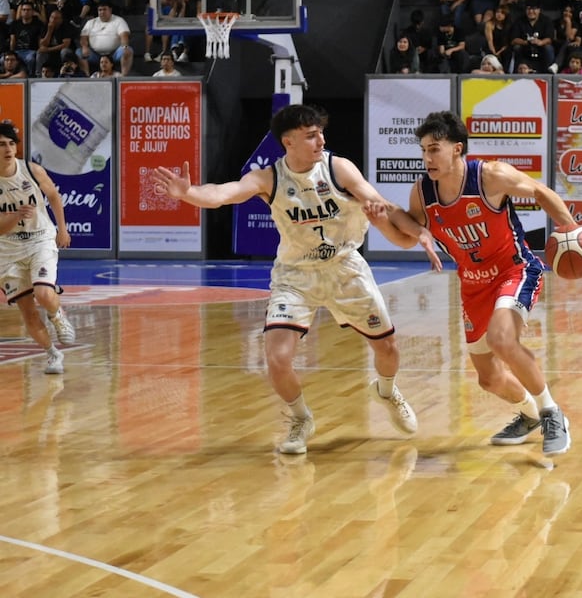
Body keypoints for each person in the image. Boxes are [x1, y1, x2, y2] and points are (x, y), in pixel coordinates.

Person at [150, 104, 441, 455]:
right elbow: (222, 194)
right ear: (288, 142)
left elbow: (385, 206)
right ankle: (301, 418)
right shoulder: (269, 178)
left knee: (388, 350)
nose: (320, 140)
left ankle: (386, 389)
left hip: (345, 267)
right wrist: (188, 194)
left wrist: (419, 233)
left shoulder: (338, 168)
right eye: (310, 135)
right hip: (296, 275)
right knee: (276, 357)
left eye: (320, 132)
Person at [388, 110, 575, 456]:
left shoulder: (489, 176)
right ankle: (529, 415)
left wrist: (571, 228)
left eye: (435, 149)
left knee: (502, 339)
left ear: (457, 149)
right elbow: (407, 230)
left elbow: (539, 191)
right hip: (472, 284)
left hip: (514, 270)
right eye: (424, 150)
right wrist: (397, 220)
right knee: (488, 379)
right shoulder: (422, 192)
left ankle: (552, 413)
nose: (427, 157)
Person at [0, 121, 75, 376]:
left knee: (43, 294)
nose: (8, 149)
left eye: (11, 144)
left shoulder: (31, 170)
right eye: (1, 145)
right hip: (7, 249)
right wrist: (15, 216)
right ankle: (52, 354)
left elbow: (53, 196)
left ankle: (57, 314)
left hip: (39, 238)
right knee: (28, 313)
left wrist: (62, 230)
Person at [77, 2, 133, 76]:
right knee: (79, 52)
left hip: (113, 54)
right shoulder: (91, 22)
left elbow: (124, 36)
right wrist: (84, 47)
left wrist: (125, 46)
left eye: (104, 9)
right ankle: (86, 76)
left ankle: (123, 77)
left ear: (110, 10)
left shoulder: (118, 20)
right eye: (100, 10)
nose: (102, 12)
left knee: (128, 50)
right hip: (95, 55)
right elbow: (83, 37)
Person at [9, 1, 46, 75]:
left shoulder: (39, 24)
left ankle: (30, 77)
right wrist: (11, 52)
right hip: (17, 51)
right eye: (24, 10)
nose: (26, 12)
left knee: (30, 59)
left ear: (32, 12)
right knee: (3, 60)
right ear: (21, 11)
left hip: (31, 51)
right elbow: (13, 40)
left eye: (28, 10)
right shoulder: (15, 24)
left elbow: (40, 40)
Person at [36, 9, 75, 75]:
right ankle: (39, 75)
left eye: (56, 18)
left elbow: (66, 45)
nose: (53, 20)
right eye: (52, 17)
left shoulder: (66, 27)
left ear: (61, 20)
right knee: (40, 53)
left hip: (63, 51)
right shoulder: (46, 26)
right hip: (50, 52)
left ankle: (66, 73)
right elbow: (42, 44)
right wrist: (49, 31)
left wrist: (48, 49)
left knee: (64, 51)